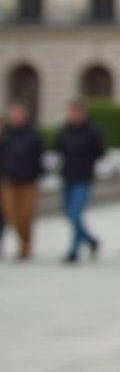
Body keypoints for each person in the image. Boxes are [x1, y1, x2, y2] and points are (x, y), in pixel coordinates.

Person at [55, 99, 106, 262]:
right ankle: (91, 240)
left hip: (83, 177)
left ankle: (74, 250)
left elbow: (100, 151)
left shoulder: (92, 130)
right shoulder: (65, 129)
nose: (72, 115)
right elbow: (58, 148)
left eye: (75, 112)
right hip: (67, 175)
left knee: (75, 213)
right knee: (69, 214)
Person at [0, 103, 44, 259]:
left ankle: (25, 246)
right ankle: (19, 242)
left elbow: (39, 156)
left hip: (28, 181)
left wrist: (37, 175)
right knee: (11, 215)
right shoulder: (6, 134)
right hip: (9, 180)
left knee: (25, 215)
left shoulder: (32, 134)